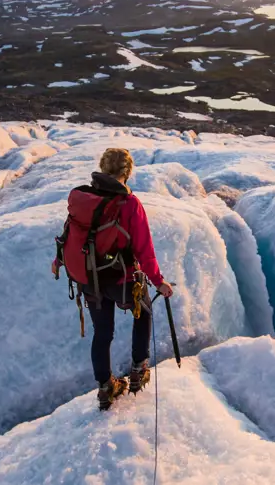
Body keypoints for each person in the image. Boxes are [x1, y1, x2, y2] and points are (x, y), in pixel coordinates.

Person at [60, 148, 173, 410]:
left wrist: (60, 263)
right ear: (127, 172)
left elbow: (69, 235)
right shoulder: (129, 203)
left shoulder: (83, 198)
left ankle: (105, 386)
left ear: (102, 167)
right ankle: (138, 369)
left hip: (89, 279)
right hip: (121, 278)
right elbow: (145, 249)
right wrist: (159, 282)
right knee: (142, 312)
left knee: (102, 333)